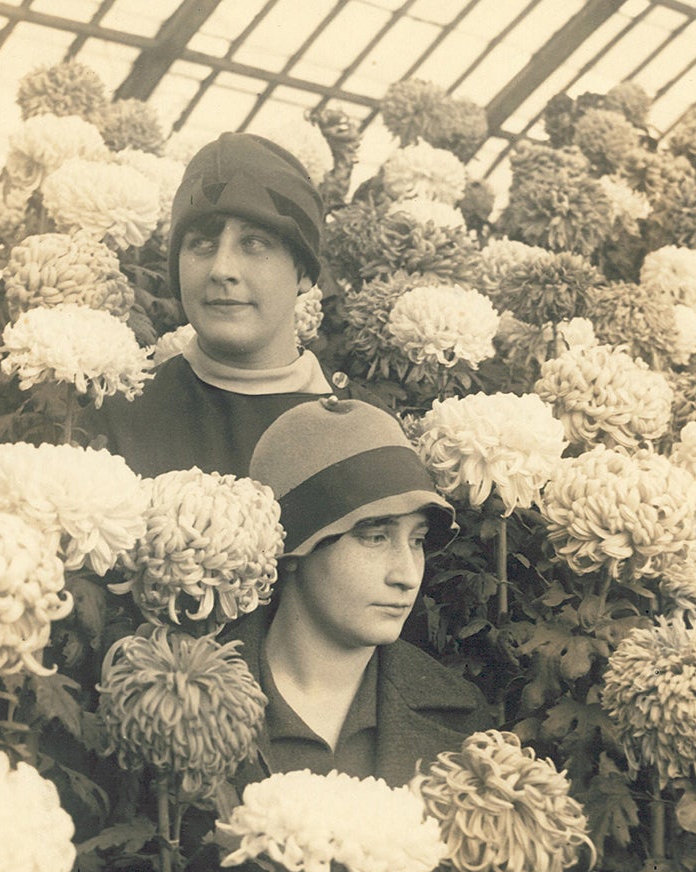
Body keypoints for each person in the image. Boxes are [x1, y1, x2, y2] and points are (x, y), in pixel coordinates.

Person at [229, 397, 482, 788]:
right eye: (376, 537)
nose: (407, 575)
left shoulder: (460, 718)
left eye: (416, 541)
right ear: (294, 548)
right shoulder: (190, 702)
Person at [95, 132, 332, 478]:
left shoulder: (367, 426)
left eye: (253, 242)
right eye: (202, 243)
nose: (222, 270)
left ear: (304, 272)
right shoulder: (119, 418)